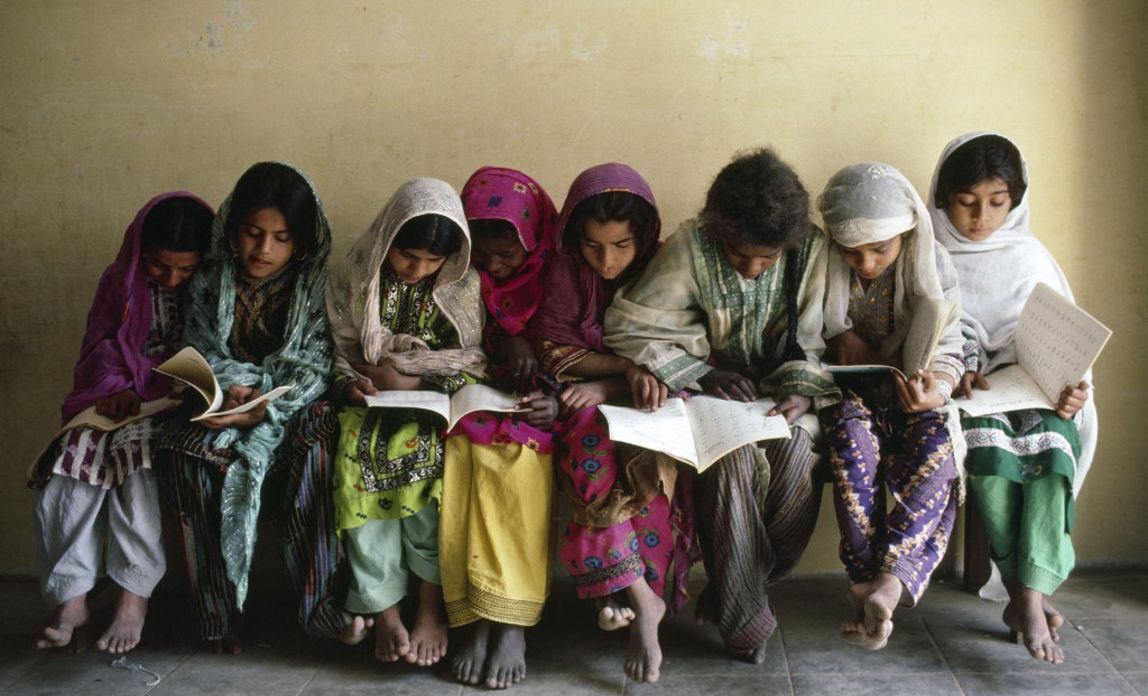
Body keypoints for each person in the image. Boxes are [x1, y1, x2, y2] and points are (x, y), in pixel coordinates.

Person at [605, 148, 838, 664]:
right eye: (739, 257)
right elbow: (631, 324)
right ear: (719, 231)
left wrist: (800, 388)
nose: (753, 270)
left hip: (787, 399)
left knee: (799, 461)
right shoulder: (692, 245)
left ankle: (739, 585)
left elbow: (819, 337)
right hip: (707, 397)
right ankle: (744, 621)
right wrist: (704, 372)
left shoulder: (811, 250)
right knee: (728, 465)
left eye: (767, 259)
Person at [158, 162, 343, 653]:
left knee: (319, 442)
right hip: (222, 405)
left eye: (281, 237)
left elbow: (318, 364)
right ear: (231, 228)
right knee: (185, 452)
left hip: (290, 412)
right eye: (252, 233)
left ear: (301, 240)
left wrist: (265, 405)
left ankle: (320, 609)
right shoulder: (209, 279)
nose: (264, 250)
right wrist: (230, 388)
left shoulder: (318, 285)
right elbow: (196, 351)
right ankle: (216, 616)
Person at [930, 132, 1096, 665]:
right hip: (971, 391)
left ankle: (1028, 591)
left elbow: (1069, 337)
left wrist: (1071, 388)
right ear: (942, 196)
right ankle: (1024, 589)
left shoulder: (1029, 256)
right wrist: (953, 366)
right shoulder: (927, 256)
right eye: (966, 201)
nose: (981, 217)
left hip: (1035, 388)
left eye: (997, 203)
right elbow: (924, 331)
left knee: (1051, 447)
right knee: (989, 449)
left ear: (1016, 200)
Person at [31, 193, 213, 654]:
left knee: (138, 468)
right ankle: (71, 597)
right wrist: (115, 386)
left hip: (174, 404)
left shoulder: (215, 287)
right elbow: (101, 345)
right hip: (116, 400)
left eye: (185, 269)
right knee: (69, 461)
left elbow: (216, 352)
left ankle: (134, 598)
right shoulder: (120, 281)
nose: (172, 279)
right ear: (140, 253)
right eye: (159, 267)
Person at [534, 163, 684, 685]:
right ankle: (642, 599)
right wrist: (622, 367)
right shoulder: (564, 269)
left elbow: (683, 352)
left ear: (644, 236)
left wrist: (615, 385)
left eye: (621, 245)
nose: (607, 260)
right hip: (586, 401)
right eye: (594, 245)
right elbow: (554, 352)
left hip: (652, 401)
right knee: (588, 455)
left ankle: (627, 591)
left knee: (649, 465)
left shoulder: (666, 267)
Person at [326, 178, 482, 668]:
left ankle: (431, 605)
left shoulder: (461, 285)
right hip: (365, 406)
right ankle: (385, 607)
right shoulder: (351, 278)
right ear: (386, 239)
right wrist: (355, 381)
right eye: (407, 256)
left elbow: (472, 360)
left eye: (432, 262)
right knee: (355, 469)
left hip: (431, 409)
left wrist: (413, 378)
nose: (418, 270)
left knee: (433, 468)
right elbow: (335, 354)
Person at [816, 162, 963, 650]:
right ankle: (871, 578)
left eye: (881, 249)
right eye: (851, 252)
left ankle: (885, 580)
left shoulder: (933, 262)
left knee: (940, 451)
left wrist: (935, 389)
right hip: (847, 399)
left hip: (913, 402)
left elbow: (951, 347)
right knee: (851, 443)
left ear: (907, 233)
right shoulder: (818, 262)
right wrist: (838, 336)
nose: (866, 263)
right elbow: (798, 332)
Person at [443, 167, 560, 689]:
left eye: (506, 257)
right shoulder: (452, 274)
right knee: (460, 464)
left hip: (539, 412)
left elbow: (579, 348)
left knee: (517, 469)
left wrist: (550, 394)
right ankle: (472, 616)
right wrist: (494, 345)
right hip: (472, 403)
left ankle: (510, 619)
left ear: (533, 242)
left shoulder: (559, 276)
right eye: (481, 255)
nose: (492, 266)